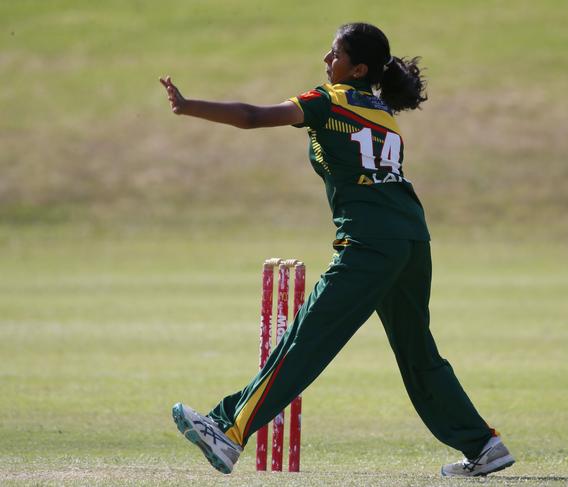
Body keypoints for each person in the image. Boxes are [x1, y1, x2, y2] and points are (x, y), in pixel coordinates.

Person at [159, 22, 514, 477]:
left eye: (335, 54)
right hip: (411, 239)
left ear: (358, 67)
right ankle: (482, 445)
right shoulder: (383, 111)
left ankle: (227, 431)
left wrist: (189, 107)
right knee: (417, 350)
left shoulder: (327, 101)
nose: (327, 61)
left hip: (368, 244)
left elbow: (251, 117)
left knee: (305, 339)